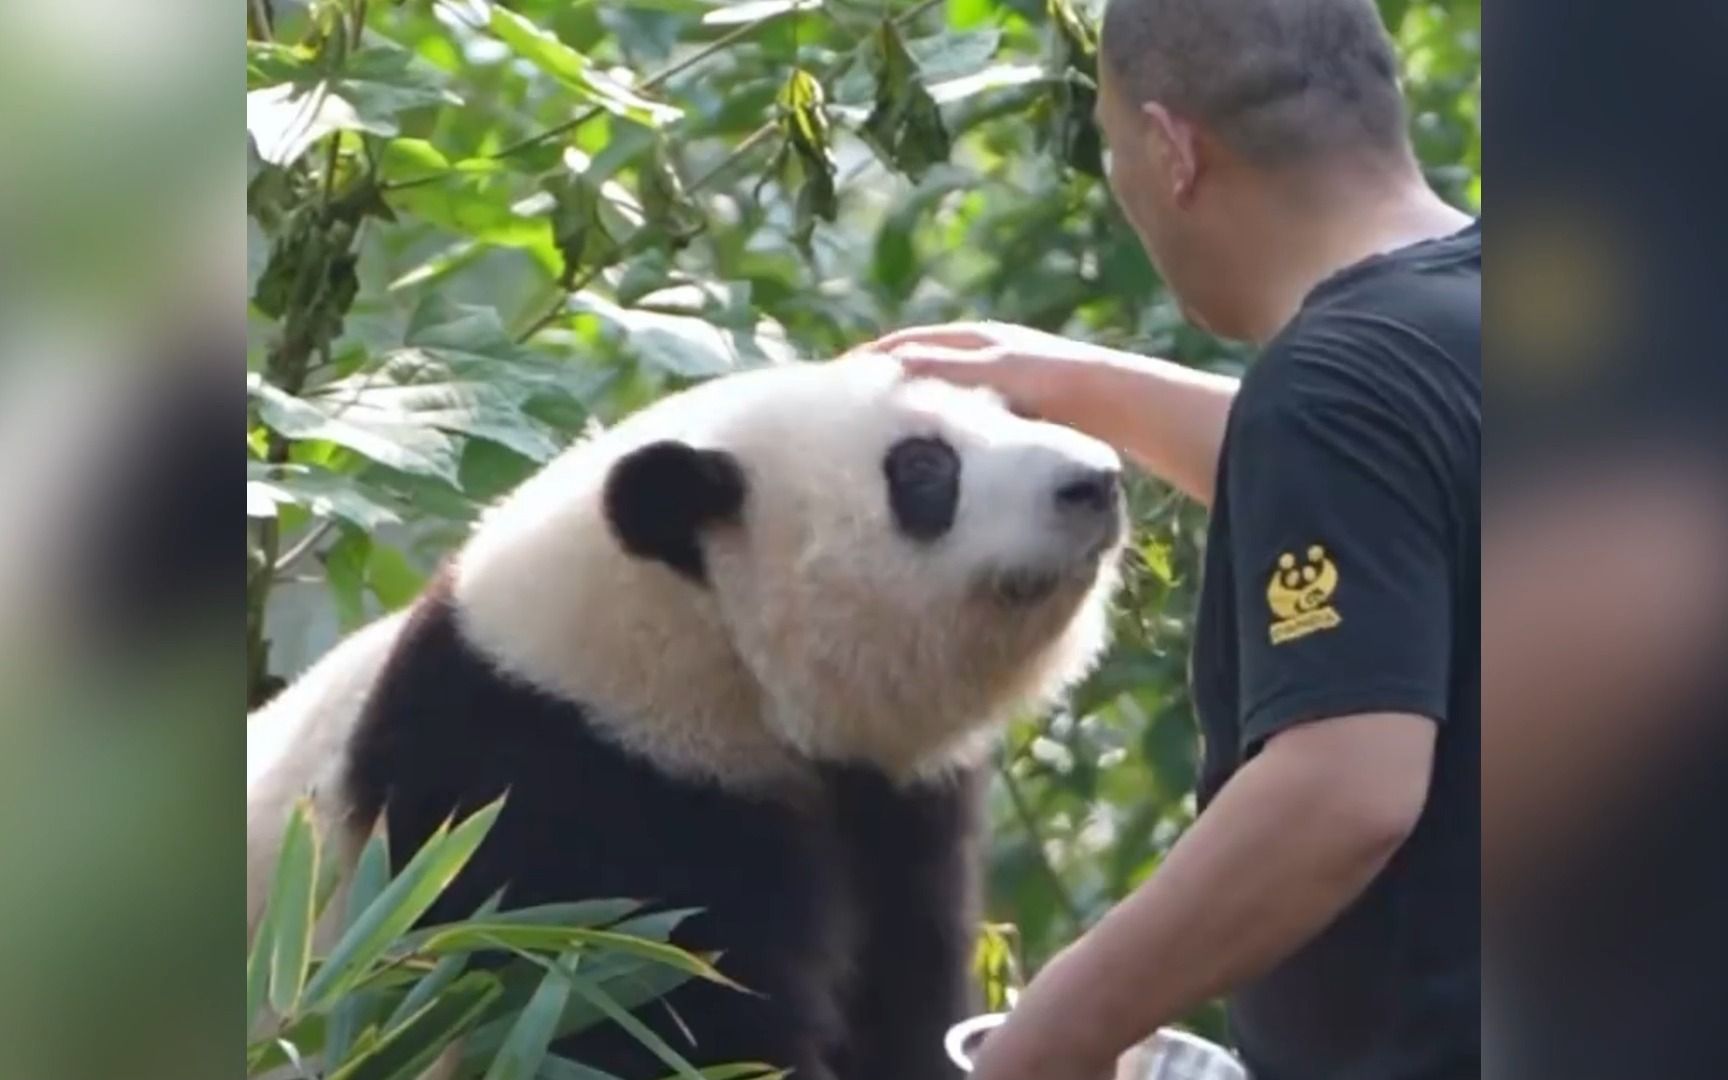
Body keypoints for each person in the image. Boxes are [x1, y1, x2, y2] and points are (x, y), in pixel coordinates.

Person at [856, 0, 1480, 1077]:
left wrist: (1050, 1036)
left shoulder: (1329, 398)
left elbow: (1343, 792)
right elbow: (1408, 500)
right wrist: (1068, 381)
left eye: (1113, 150)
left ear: (1171, 150)